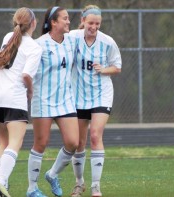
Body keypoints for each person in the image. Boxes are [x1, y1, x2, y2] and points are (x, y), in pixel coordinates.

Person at [0, 7, 42, 197]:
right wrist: (31, 91)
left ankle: (4, 187)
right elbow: (26, 75)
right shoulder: (34, 47)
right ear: (33, 23)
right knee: (15, 143)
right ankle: (1, 181)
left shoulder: (8, 36)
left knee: (3, 143)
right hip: (14, 97)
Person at [69, 4, 122, 197]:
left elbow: (117, 67)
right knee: (79, 142)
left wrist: (103, 69)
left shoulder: (107, 42)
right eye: (90, 22)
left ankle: (95, 186)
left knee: (95, 136)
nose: (94, 27)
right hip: (78, 95)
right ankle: (79, 183)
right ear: (83, 21)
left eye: (97, 23)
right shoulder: (73, 37)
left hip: (101, 94)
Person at [26, 6, 79, 197]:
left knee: (73, 142)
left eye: (68, 18)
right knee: (40, 144)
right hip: (43, 100)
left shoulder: (72, 41)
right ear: (53, 22)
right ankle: (32, 189)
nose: (68, 21)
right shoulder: (38, 45)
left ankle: (52, 174)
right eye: (64, 18)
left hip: (65, 101)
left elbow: (88, 31)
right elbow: (23, 68)